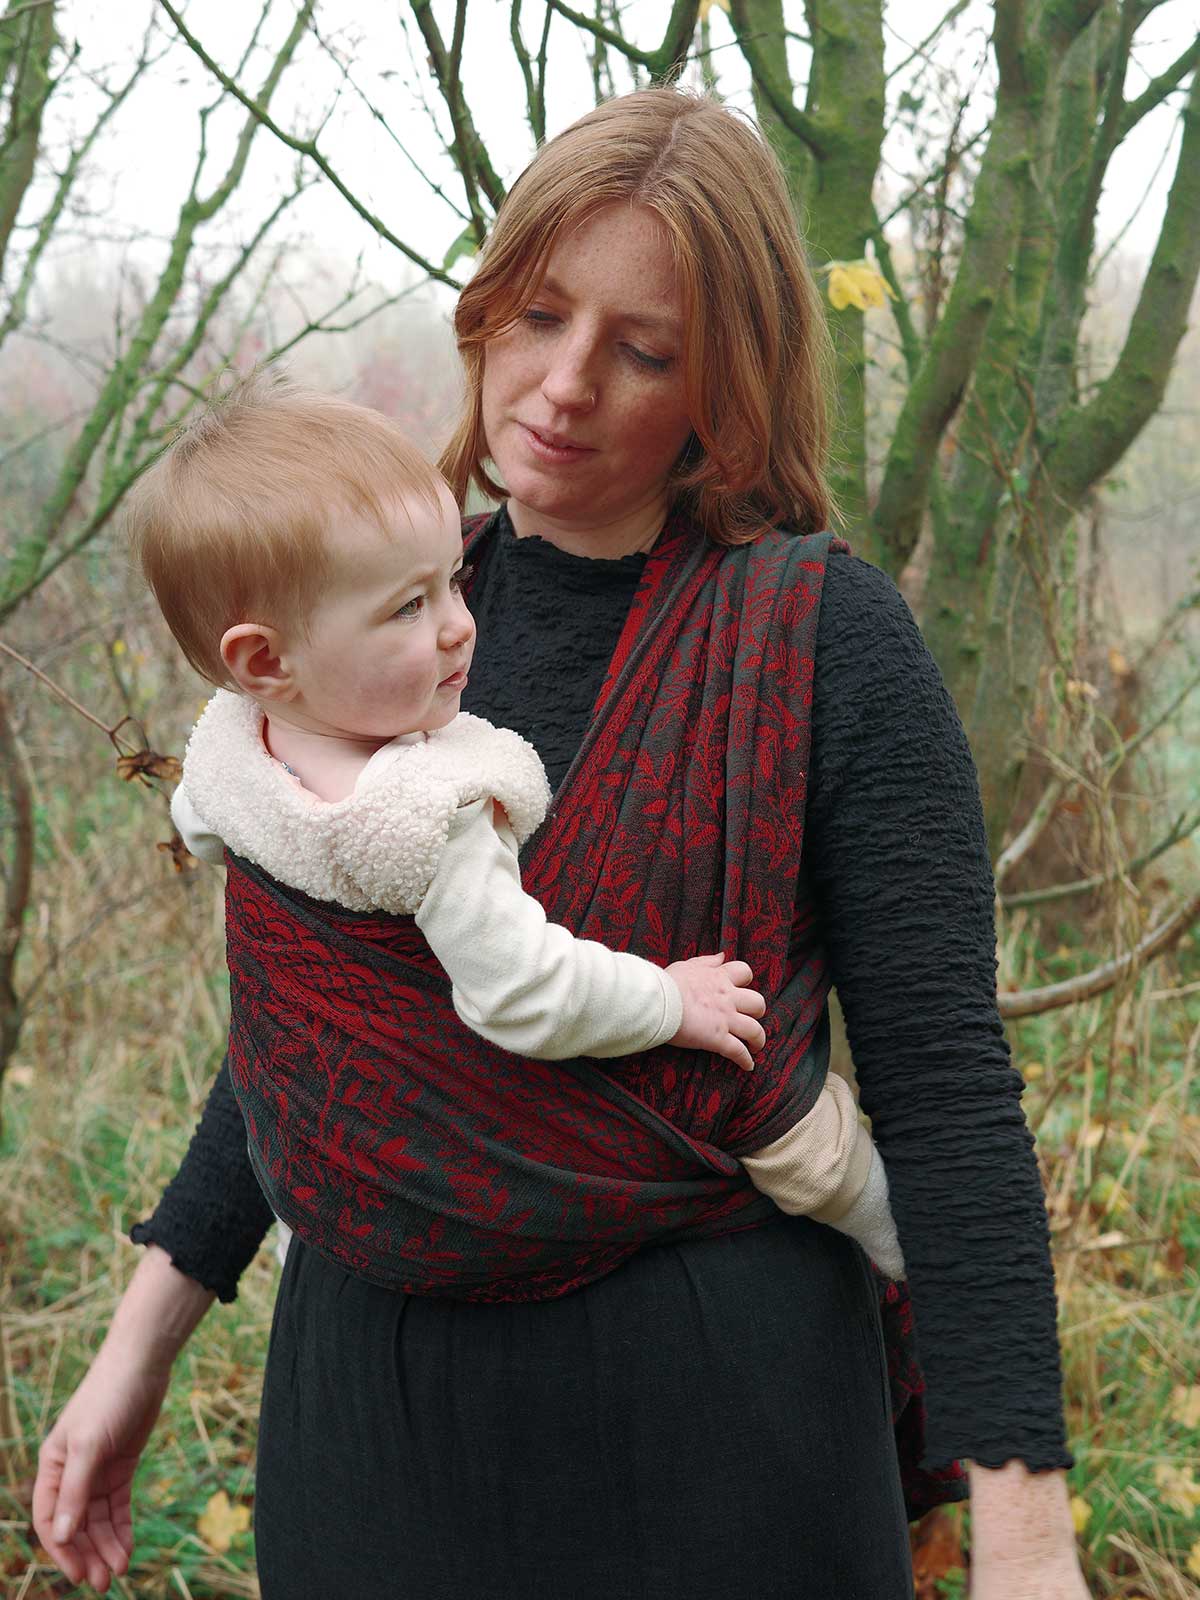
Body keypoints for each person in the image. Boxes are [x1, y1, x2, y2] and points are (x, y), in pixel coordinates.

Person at [34, 88, 1088, 1599]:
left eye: (645, 349)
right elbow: (311, 1022)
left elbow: (947, 1098)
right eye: (537, 314)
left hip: (723, 1428)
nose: (564, 383)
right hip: (376, 1425)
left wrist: (1026, 1538)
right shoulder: (386, 617)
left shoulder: (819, 639)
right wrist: (141, 1345)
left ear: (727, 383)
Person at [132, 374, 902, 1275]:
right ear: (265, 657)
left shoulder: (232, 754)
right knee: (815, 1152)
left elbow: (204, 830)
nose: (462, 625)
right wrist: (670, 1002)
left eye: (452, 581)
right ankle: (906, 1263)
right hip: (560, 1196)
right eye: (409, 607)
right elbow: (520, 993)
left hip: (346, 1233)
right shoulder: (432, 811)